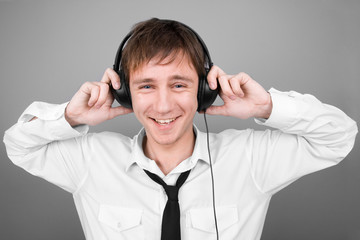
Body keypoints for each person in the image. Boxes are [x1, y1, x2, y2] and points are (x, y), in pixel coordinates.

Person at [3, 18, 358, 240]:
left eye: (178, 85)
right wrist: (71, 116)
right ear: (124, 91)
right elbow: (19, 145)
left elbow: (339, 136)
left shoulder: (250, 158)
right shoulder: (89, 161)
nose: (162, 106)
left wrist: (266, 107)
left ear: (204, 91)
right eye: (145, 86)